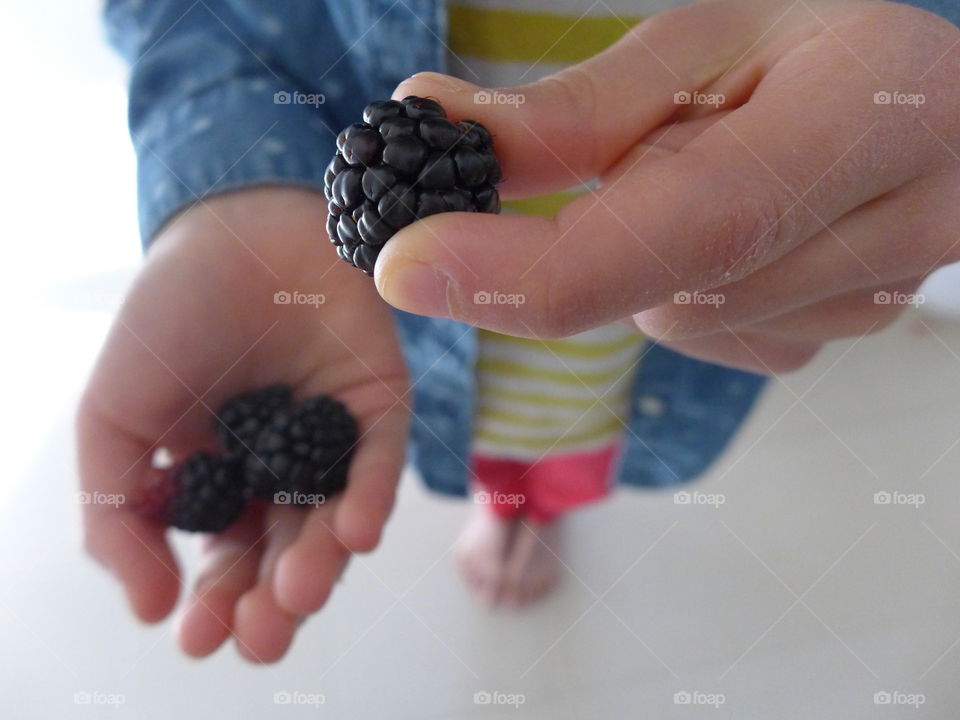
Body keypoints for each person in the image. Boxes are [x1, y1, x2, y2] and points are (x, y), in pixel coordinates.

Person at [78, 0, 960, 662]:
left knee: (579, 421)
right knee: (489, 432)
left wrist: (918, 55)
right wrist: (229, 196)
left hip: (668, 282)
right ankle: (506, 505)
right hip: (404, 301)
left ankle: (540, 509)